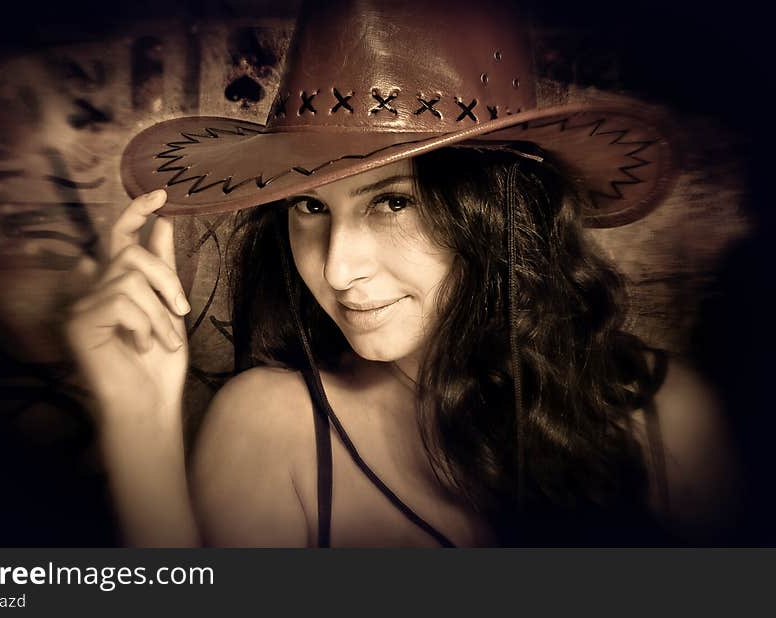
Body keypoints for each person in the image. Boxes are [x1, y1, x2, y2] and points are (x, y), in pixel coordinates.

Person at [66, 1, 739, 546]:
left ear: (498, 213)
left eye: (392, 202)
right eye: (308, 205)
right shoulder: (275, 427)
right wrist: (139, 424)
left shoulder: (664, 418)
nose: (336, 267)